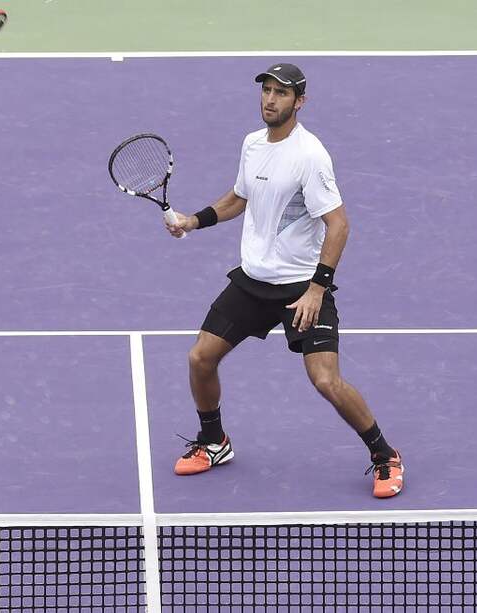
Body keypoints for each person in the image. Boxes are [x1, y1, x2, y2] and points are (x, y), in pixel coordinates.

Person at [166, 63, 404, 499]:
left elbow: (339, 225)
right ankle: (214, 441)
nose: (270, 99)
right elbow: (239, 197)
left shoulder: (310, 156)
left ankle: (384, 454)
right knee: (200, 358)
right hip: (253, 282)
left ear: (300, 102)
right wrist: (193, 221)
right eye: (267, 91)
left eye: (281, 93)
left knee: (326, 381)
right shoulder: (253, 144)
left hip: (300, 288)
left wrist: (317, 288)